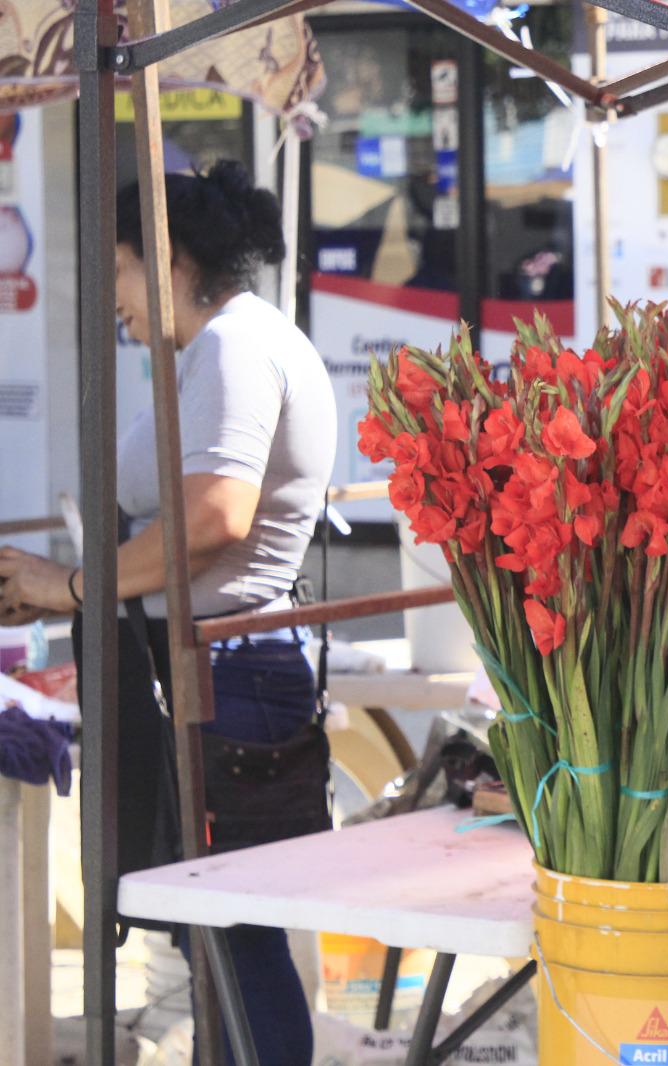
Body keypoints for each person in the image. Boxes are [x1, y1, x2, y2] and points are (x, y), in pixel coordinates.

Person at [0, 159, 335, 1066]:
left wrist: (67, 586)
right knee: (212, 933)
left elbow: (213, 519)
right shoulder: (226, 347)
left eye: (118, 269)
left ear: (169, 258)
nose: (113, 297)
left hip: (221, 676)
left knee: (227, 931)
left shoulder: (233, 345)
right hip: (206, 668)